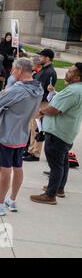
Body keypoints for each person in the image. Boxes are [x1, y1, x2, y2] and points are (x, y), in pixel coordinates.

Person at [0, 58, 43, 216]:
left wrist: (9, 90)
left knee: (5, 171)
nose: (12, 72)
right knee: (18, 167)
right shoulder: (38, 88)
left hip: (7, 135)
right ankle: (12, 199)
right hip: (22, 134)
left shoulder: (17, 90)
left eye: (14, 70)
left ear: (20, 70)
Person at [30, 63, 82, 205]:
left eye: (70, 71)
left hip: (58, 132)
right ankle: (58, 188)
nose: (67, 73)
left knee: (56, 165)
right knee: (62, 162)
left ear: (77, 77)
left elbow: (55, 109)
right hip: (66, 132)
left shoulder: (73, 91)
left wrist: (42, 111)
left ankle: (50, 195)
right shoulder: (77, 89)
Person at [24, 49, 57, 162]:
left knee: (38, 128)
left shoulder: (50, 72)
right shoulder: (43, 70)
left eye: (42, 57)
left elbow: (43, 89)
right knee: (32, 127)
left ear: (47, 58)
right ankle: (30, 149)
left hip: (42, 103)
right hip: (36, 102)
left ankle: (35, 153)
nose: (40, 59)